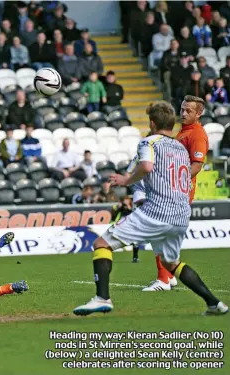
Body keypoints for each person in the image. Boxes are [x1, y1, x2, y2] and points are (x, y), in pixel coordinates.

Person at [73, 100, 228, 317]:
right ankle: (214, 304)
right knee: (171, 262)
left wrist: (127, 180)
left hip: (157, 211)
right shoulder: (180, 149)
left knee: (101, 244)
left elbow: (146, 166)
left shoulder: (149, 143)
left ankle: (102, 298)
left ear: (152, 123)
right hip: (181, 214)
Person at [143, 96, 209, 292]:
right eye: (182, 109)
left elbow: (196, 165)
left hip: (179, 191)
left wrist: (174, 181)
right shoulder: (183, 132)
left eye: (189, 110)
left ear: (199, 113)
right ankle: (169, 276)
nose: (184, 113)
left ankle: (163, 280)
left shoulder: (197, 134)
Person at [110, 195, 143, 263]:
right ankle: (109, 256)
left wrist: (129, 208)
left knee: (135, 242)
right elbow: (113, 217)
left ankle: (135, 257)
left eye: (127, 200)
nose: (125, 201)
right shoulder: (120, 208)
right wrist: (120, 208)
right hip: (121, 227)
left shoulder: (133, 207)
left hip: (131, 226)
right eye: (124, 200)